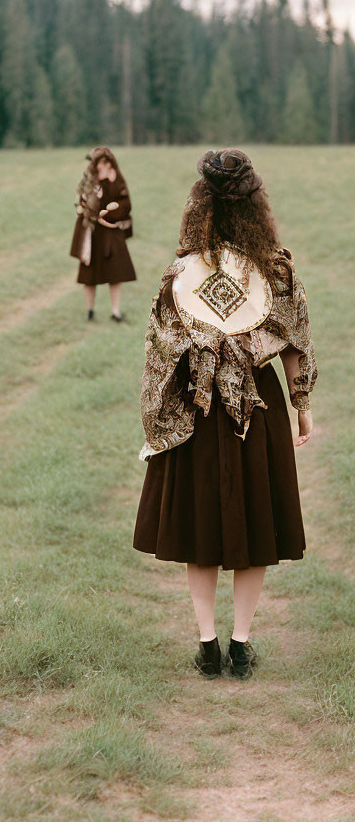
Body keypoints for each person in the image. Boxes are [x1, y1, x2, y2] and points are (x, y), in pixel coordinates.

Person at [134, 149, 317, 679]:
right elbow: (295, 343)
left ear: (201, 205)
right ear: (255, 204)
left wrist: (158, 423)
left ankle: (207, 644)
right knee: (256, 522)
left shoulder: (179, 274)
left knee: (200, 525)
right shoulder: (277, 270)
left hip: (199, 407)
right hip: (258, 408)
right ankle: (241, 644)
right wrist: (301, 407)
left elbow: (159, 355)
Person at [69, 147, 135, 321]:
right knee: (89, 274)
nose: (97, 165)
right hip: (91, 232)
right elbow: (82, 200)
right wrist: (94, 214)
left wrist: (109, 216)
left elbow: (125, 203)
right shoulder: (89, 178)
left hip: (110, 231)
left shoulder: (117, 177)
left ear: (107, 162)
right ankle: (90, 311)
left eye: (101, 162)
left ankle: (115, 312)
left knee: (115, 272)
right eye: (95, 162)